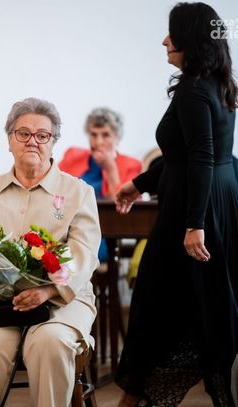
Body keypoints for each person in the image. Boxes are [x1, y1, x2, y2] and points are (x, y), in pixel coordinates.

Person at [114, 3, 238, 406]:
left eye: (172, 33)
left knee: (155, 305)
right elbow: (185, 155)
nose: (165, 40)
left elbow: (201, 156)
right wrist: (139, 184)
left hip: (193, 213)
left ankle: (132, 398)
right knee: (205, 308)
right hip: (218, 203)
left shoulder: (192, 90)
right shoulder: (218, 84)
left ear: (191, 39)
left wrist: (193, 224)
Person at [0, 98, 101, 407]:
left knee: (50, 343)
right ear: (9, 139)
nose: (32, 141)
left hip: (61, 303)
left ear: (53, 141)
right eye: (23, 133)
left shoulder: (78, 192)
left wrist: (48, 290)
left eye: (42, 135)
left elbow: (84, 254)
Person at [59, 107, 141, 199]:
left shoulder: (132, 165)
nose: (98, 142)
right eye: (93, 135)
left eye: (106, 135)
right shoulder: (73, 154)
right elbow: (53, 185)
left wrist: (110, 169)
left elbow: (124, 203)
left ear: (118, 138)